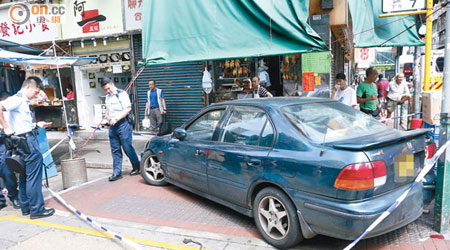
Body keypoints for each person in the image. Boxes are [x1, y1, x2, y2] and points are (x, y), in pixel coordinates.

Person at [0, 76, 54, 219]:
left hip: (21, 140)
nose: (36, 95)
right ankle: (37, 209)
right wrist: (6, 127)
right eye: (36, 92)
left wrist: (37, 125)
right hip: (26, 141)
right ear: (29, 87)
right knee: (34, 177)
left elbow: (21, 122)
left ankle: (26, 207)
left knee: (24, 176)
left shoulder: (21, 101)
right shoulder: (17, 99)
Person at [102, 77, 140, 181]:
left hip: (123, 124)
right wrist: (107, 117)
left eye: (109, 88)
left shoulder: (122, 94)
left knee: (127, 146)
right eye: (105, 90)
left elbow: (128, 108)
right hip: (112, 126)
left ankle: (137, 166)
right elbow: (107, 110)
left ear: (112, 84)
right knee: (115, 149)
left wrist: (116, 118)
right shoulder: (107, 97)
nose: (108, 91)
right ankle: (117, 173)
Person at [0, 91, 20, 211]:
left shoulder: (7, 113)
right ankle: (1, 200)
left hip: (3, 145)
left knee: (6, 171)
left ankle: (14, 196)